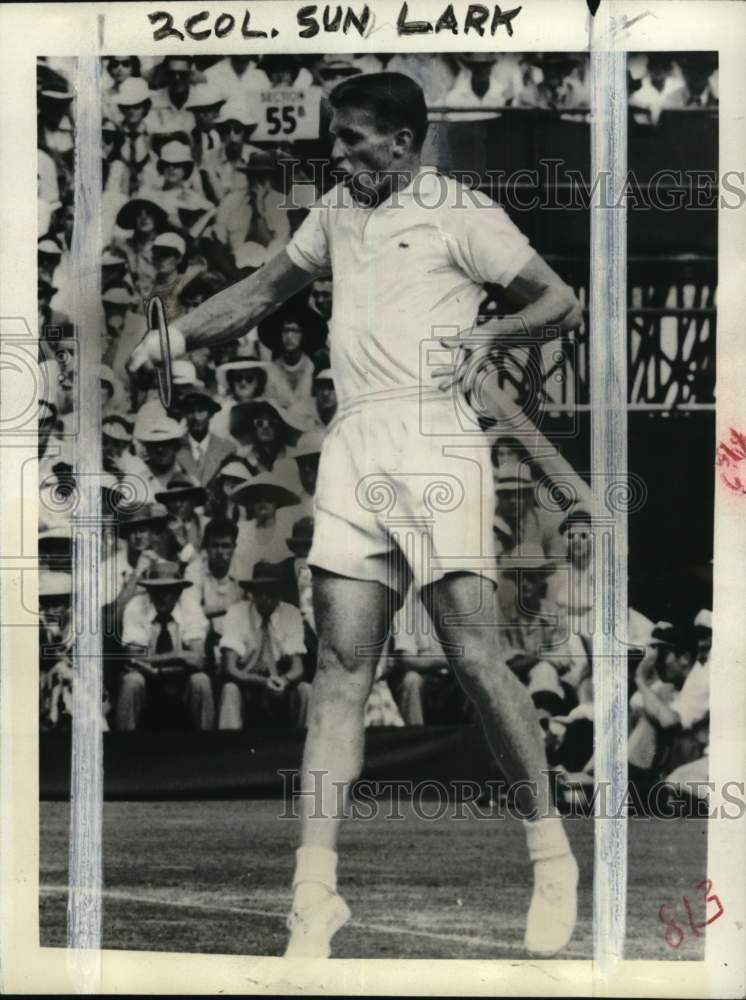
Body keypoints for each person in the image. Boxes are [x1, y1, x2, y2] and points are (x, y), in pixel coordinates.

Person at [129, 71, 584, 958]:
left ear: (405, 142)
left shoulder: (461, 210)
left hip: (438, 442)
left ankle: (552, 856)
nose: (336, 154)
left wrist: (492, 335)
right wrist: (172, 336)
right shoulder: (333, 212)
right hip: (355, 442)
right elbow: (261, 292)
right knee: (339, 669)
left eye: (352, 139)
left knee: (477, 660)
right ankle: (315, 894)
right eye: (334, 139)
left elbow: (558, 301)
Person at [118, 559, 213, 731]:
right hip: (147, 683)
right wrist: (178, 655)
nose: (162, 596)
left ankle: (209, 748)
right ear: (149, 589)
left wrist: (158, 668)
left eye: (168, 590)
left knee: (201, 681)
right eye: (157, 589)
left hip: (182, 682)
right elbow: (134, 658)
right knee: (131, 681)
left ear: (178, 591)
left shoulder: (190, 607)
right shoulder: (136, 607)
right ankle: (123, 749)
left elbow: (198, 660)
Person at [217, 561, 310, 730]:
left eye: (271, 593)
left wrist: (283, 680)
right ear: (252, 592)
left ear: (280, 593)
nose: (265, 598)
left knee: (305, 690)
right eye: (260, 592)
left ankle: (305, 748)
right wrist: (261, 681)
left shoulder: (291, 614)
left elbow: (297, 667)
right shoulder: (236, 613)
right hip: (247, 685)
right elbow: (230, 668)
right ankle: (228, 748)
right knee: (230, 690)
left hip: (280, 688)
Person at [184, 516, 243, 671]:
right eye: (214, 546)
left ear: (234, 547)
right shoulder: (194, 569)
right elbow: (191, 611)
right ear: (206, 547)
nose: (219, 552)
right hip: (206, 637)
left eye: (225, 546)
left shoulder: (245, 569)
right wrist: (230, 610)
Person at [175, 385, 235, 487]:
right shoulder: (174, 448)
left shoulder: (227, 448)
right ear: (184, 414)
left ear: (211, 414)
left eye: (201, 410)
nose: (196, 417)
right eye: (190, 411)